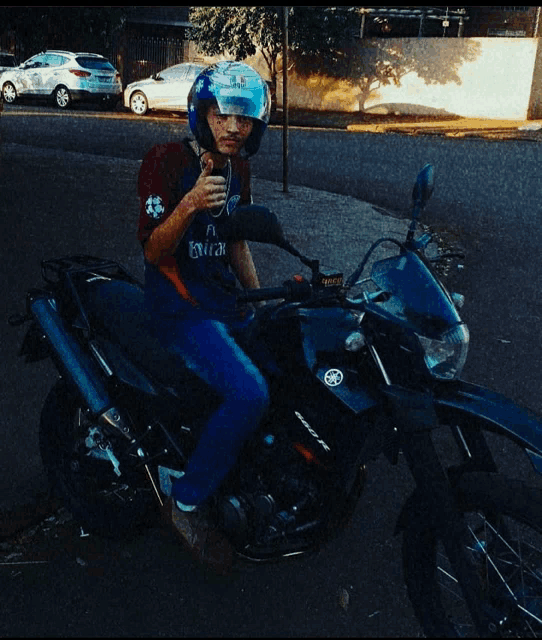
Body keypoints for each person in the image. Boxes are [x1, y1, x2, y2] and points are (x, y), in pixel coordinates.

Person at [137, 61, 271, 563]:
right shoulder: (164, 161)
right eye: (223, 116)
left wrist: (260, 301)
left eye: (245, 118)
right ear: (202, 114)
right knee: (249, 393)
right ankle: (186, 501)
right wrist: (190, 202)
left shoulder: (239, 168)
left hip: (224, 303)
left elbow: (236, 242)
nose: (235, 128)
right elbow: (153, 251)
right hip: (179, 308)